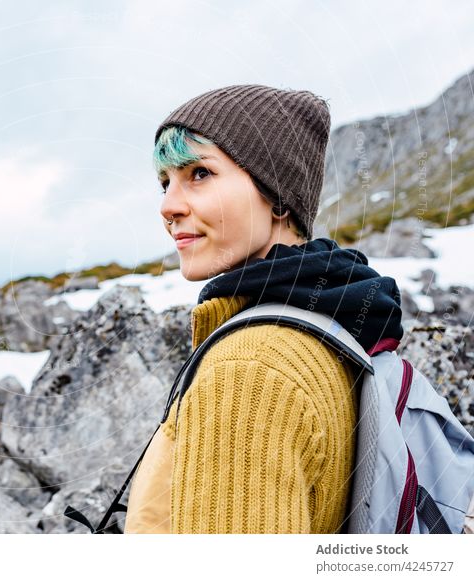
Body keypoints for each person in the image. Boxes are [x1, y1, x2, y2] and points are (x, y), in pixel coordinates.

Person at [123, 84, 404, 534]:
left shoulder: (248, 372)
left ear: (277, 195)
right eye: (165, 182)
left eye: (199, 173)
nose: (168, 206)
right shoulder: (333, 324)